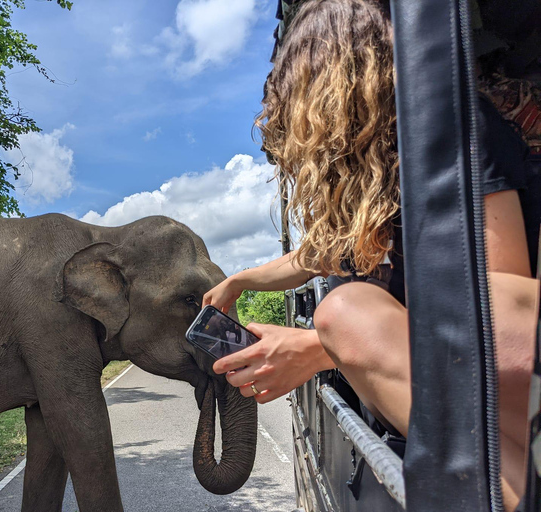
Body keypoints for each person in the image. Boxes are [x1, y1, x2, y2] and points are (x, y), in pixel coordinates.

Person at [202, 0, 541, 508]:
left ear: (332, 86)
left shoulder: (450, 136)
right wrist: (240, 281)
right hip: (467, 412)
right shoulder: (381, 179)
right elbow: (315, 255)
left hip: (509, 403)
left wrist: (323, 346)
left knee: (345, 311)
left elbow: (503, 320)